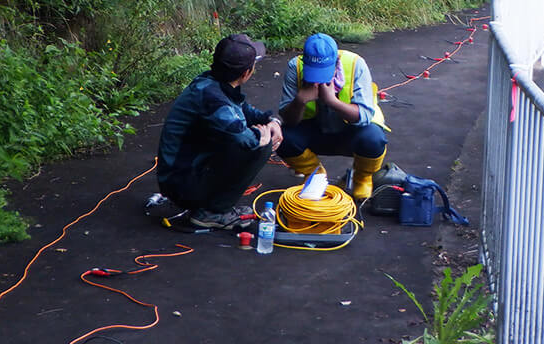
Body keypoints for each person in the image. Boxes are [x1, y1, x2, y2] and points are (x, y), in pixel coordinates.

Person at [155, 34, 283, 230]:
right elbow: (244, 139)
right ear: (246, 73)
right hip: (180, 183)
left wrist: (270, 121)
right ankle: (212, 212)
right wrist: (262, 137)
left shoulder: (214, 83)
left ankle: (211, 205)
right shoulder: (212, 97)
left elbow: (244, 110)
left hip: (184, 172)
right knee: (259, 148)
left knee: (254, 139)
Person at [276, 33, 389, 202]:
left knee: (373, 138)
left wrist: (332, 101)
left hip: (350, 131)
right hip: (315, 131)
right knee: (281, 136)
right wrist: (300, 101)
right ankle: (315, 175)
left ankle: (362, 178)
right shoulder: (295, 67)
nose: (318, 80)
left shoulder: (355, 64)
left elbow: (364, 116)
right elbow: (289, 122)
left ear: (336, 61)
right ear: (304, 61)